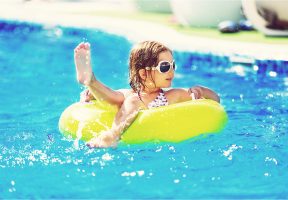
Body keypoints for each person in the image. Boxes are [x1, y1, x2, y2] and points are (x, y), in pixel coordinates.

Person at [74, 41, 220, 148]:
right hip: (133, 110)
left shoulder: (172, 96)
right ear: (143, 73)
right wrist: (91, 94)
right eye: (164, 67)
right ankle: (90, 81)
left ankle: (92, 83)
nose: (171, 71)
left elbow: (215, 100)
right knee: (127, 99)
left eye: (172, 65)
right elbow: (110, 95)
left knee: (131, 100)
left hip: (161, 140)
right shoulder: (131, 96)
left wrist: (201, 90)